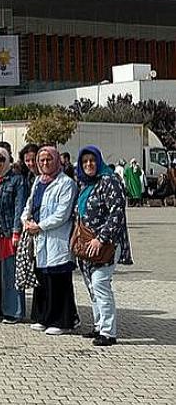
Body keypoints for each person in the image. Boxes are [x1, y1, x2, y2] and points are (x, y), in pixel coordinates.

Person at [74, 146, 130, 347]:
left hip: (105, 245)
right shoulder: (85, 184)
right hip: (86, 244)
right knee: (91, 286)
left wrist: (101, 239)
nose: (89, 164)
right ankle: (99, 325)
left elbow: (117, 213)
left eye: (92, 160)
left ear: (99, 161)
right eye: (85, 161)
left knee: (100, 283)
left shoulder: (109, 181)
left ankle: (108, 331)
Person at [21, 146, 79, 335]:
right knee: (43, 279)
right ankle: (43, 317)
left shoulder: (66, 183)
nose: (45, 163)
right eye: (42, 160)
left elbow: (62, 214)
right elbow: (29, 204)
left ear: (57, 161)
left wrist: (40, 226)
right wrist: (26, 220)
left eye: (49, 160)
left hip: (57, 238)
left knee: (58, 281)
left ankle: (62, 321)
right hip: (39, 239)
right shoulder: (38, 181)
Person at [0, 146, 28, 324]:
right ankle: (0, 307)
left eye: (1, 159)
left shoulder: (17, 180)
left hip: (8, 234)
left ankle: (14, 311)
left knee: (11, 274)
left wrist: (16, 232)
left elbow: (19, 207)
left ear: (8, 161)